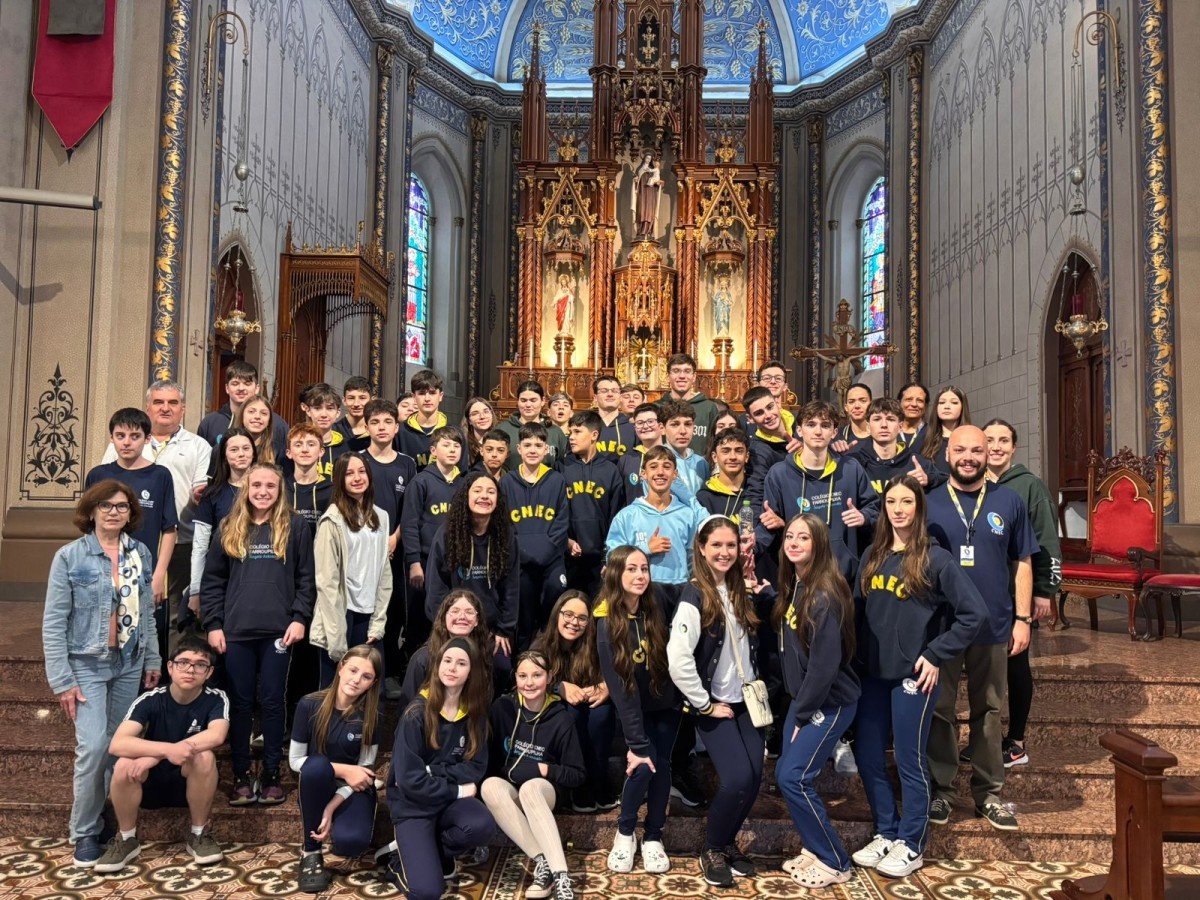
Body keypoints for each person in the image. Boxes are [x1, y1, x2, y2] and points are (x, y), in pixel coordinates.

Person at [851, 475, 986, 877]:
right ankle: (886, 831)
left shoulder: (935, 558)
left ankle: (912, 843)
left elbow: (973, 614)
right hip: (873, 676)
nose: (898, 509)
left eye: (906, 501)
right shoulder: (873, 554)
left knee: (909, 759)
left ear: (918, 507)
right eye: (891, 501)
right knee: (869, 756)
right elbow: (860, 614)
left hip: (913, 677)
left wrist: (934, 654)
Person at [925, 425, 1038, 832]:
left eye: (977, 450)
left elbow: (1022, 561)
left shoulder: (1009, 501)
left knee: (988, 711)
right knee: (939, 711)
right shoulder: (929, 502)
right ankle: (940, 792)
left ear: (988, 453)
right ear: (948, 454)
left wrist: (1022, 619)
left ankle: (989, 793)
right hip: (942, 628)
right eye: (961, 450)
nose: (969, 456)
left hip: (994, 624)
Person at [44, 479, 162, 867]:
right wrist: (62, 679)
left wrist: (153, 660)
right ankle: (84, 832)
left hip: (130, 662)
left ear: (131, 513)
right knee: (93, 747)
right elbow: (54, 622)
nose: (114, 512)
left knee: (119, 749)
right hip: (87, 664)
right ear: (91, 510)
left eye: (122, 506)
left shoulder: (140, 553)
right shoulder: (70, 557)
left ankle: (116, 823)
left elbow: (147, 615)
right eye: (106, 505)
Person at [200, 462, 315, 807]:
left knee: (273, 700)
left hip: (279, 631)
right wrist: (213, 624)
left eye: (271, 486)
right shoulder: (229, 526)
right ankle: (239, 775)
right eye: (257, 485)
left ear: (280, 490)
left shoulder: (295, 526)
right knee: (240, 702)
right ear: (246, 489)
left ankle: (271, 774)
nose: (263, 491)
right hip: (235, 630)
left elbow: (307, 579)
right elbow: (213, 582)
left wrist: (299, 617)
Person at [667, 517, 767, 888]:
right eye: (718, 546)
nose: (725, 552)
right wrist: (703, 703)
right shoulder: (694, 594)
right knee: (737, 777)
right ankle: (711, 847)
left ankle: (728, 843)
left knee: (755, 777)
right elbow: (678, 658)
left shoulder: (741, 588)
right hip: (715, 703)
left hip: (745, 702)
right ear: (702, 549)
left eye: (732, 545)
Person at [769, 514, 860, 887]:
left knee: (794, 777)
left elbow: (824, 667)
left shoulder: (823, 594)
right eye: (789, 536)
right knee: (784, 774)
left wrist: (804, 715)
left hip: (829, 702)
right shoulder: (797, 585)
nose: (793, 542)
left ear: (819, 544)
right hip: (804, 700)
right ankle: (814, 846)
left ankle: (836, 860)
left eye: (803, 538)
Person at [97, 635, 228, 873]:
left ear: (208, 673)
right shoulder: (150, 699)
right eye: (183, 662)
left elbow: (216, 736)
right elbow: (118, 744)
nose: (190, 670)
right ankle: (126, 838)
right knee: (124, 764)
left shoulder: (215, 699)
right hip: (148, 783)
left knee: (205, 756)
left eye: (200, 665)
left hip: (189, 784)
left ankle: (199, 835)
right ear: (170, 667)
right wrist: (166, 751)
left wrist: (157, 754)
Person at [100, 381, 211, 662]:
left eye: (173, 403)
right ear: (148, 407)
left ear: (183, 409)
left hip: (181, 538)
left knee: (178, 611)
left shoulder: (198, 446)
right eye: (159, 402)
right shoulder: (125, 443)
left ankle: (175, 672)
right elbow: (105, 487)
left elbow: (202, 487)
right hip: (130, 543)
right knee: (132, 607)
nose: (165, 408)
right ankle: (137, 668)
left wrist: (203, 493)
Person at [382, 637, 497, 900]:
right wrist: (456, 790)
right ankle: (398, 860)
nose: (452, 668)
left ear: (471, 672)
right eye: (447, 661)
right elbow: (409, 781)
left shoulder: (474, 714)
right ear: (437, 665)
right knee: (427, 891)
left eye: (461, 663)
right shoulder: (415, 714)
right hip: (414, 805)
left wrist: (433, 771)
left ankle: (431, 852)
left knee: (481, 825)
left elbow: (476, 767)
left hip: (442, 803)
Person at [595, 546, 678, 874]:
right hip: (634, 709)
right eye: (631, 569)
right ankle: (625, 832)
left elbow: (692, 592)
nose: (640, 576)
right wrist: (637, 744)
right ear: (615, 573)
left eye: (644, 568)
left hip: (666, 706)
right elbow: (621, 690)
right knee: (643, 766)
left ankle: (654, 836)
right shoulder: (606, 622)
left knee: (663, 767)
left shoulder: (658, 598)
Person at [984, 419, 1062, 768]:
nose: (996, 446)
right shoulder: (974, 481)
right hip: (986, 590)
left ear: (1014, 447)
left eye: (1003, 440)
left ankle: (1015, 741)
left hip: (1019, 586)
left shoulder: (1029, 485)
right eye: (990, 440)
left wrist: (1044, 591)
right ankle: (986, 740)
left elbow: (1047, 539)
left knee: (1016, 663)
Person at [482, 650, 586, 900]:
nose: (529, 683)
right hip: (511, 786)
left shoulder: (561, 718)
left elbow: (577, 774)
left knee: (530, 789)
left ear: (549, 677)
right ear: (515, 677)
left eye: (537, 675)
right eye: (523, 675)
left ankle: (561, 877)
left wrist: (544, 769)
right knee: (489, 786)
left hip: (544, 791)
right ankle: (543, 863)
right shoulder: (502, 708)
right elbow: (492, 757)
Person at [289, 644, 384, 893]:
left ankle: (335, 820)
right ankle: (311, 852)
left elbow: (365, 772)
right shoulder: (309, 705)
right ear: (341, 668)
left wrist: (331, 806)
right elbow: (296, 760)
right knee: (316, 764)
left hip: (353, 788)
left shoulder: (372, 715)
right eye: (353, 670)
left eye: (366, 677)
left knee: (351, 843)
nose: (356, 680)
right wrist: (343, 770)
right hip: (317, 780)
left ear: (373, 683)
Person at [755, 400, 879, 583]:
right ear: (799, 430)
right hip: (797, 575)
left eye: (825, 425)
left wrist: (864, 516)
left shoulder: (851, 469)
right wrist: (750, 545)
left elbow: (875, 508)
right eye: (811, 425)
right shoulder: (779, 473)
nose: (818, 431)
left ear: (834, 432)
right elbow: (768, 524)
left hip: (842, 575)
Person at [425, 472, 521, 676]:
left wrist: (504, 630)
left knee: (502, 667)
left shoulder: (505, 536)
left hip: (489, 630)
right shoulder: (446, 534)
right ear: (465, 496)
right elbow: (435, 588)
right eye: (477, 491)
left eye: (491, 492)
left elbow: (511, 588)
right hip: (452, 626)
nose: (484, 496)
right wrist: (446, 628)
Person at [86, 408, 178, 615]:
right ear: (112, 438)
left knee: (145, 635)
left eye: (134, 436)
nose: (127, 442)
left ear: (147, 439)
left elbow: (170, 529)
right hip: (104, 570)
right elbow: (88, 527)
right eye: (120, 436)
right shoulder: (98, 475)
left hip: (145, 571)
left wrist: (159, 575)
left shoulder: (160, 475)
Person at [311, 455, 392, 687]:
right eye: (349, 473)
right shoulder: (332, 520)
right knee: (335, 691)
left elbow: (384, 573)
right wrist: (336, 637)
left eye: (361, 471)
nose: (357, 478)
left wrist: (379, 620)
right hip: (340, 614)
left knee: (370, 689)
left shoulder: (381, 517)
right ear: (339, 479)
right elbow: (326, 581)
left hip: (369, 615)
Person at [532, 591, 616, 812]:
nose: (574, 622)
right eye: (568, 614)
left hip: (592, 705)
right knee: (572, 712)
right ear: (557, 614)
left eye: (581, 618)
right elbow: (524, 681)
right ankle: (579, 783)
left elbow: (620, 672)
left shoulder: (596, 644)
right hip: (555, 712)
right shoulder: (541, 644)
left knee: (603, 713)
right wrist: (559, 687)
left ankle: (598, 777)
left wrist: (607, 686)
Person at [360, 398, 416, 689]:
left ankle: (391, 670)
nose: (381, 428)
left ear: (397, 428)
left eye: (387, 423)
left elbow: (410, 507)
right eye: (375, 422)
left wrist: (394, 537)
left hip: (396, 548)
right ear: (366, 426)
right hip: (364, 548)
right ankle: (363, 667)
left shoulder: (406, 464)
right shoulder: (359, 462)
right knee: (365, 609)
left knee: (393, 610)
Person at [501, 422, 570, 650]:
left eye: (538, 445)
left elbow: (561, 522)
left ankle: (550, 659)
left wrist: (545, 552)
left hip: (551, 560)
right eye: (527, 445)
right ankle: (520, 664)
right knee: (523, 615)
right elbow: (505, 525)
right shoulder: (508, 482)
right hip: (520, 561)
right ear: (518, 449)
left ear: (546, 449)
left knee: (554, 602)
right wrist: (523, 552)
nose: (532, 449)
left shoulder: (557, 480)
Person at [606, 446, 707, 588]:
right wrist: (644, 548)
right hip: (641, 591)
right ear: (643, 474)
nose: (660, 472)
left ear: (675, 474)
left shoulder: (688, 515)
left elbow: (694, 559)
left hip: (680, 590)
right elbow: (612, 558)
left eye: (667, 467)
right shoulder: (626, 516)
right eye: (653, 467)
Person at [401, 426, 464, 654]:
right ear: (433, 450)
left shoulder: (463, 483)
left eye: (457, 446)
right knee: (420, 617)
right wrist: (414, 562)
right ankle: (414, 662)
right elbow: (410, 524)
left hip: (454, 560)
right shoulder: (421, 482)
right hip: (426, 560)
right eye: (446, 445)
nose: (452, 450)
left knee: (448, 614)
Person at [186, 428, 257, 628]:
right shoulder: (212, 494)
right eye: (234, 449)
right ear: (224, 455)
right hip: (221, 578)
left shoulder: (266, 491)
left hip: (258, 575)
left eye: (246, 448)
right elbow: (200, 546)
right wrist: (195, 591)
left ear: (254, 452)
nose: (241, 454)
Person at [561, 411, 625, 599]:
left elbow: (616, 515)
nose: (572, 437)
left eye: (577, 432)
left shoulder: (611, 470)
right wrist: (567, 540)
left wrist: (608, 556)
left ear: (594, 435)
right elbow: (557, 512)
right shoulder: (562, 467)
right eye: (570, 433)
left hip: (600, 560)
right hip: (569, 557)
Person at [399, 589, 495, 710]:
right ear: (444, 617)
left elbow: (485, 701)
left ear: (477, 620)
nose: (462, 617)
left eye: (469, 612)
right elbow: (407, 707)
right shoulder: (422, 658)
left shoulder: (483, 655)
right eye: (455, 611)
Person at [847, 397, 941, 496]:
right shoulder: (854, 463)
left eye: (890, 419)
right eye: (877, 419)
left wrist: (929, 479)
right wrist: (834, 453)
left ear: (900, 427)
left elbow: (947, 481)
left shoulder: (917, 464)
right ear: (868, 427)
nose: (884, 425)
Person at [198, 360, 289, 456]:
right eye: (235, 383)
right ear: (227, 388)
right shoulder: (210, 423)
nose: (241, 388)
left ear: (257, 388)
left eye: (247, 383)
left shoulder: (277, 424)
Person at [742, 385, 801, 502]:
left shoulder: (802, 422)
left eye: (770, 407)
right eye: (759, 413)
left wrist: (809, 452)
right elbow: (756, 492)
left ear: (777, 404)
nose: (768, 415)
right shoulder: (757, 451)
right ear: (750, 419)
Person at [498, 380, 569, 470]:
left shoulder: (555, 432)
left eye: (533, 400)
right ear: (518, 401)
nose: (528, 405)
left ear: (543, 401)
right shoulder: (503, 429)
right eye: (523, 400)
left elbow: (564, 465)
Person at [659, 353, 719, 456]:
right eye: (676, 371)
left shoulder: (708, 408)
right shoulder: (657, 407)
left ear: (694, 376)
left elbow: (716, 442)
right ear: (668, 376)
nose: (682, 376)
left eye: (687, 371)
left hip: (701, 469)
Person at [398, 369, 452, 471]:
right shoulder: (400, 432)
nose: (427, 398)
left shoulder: (454, 433)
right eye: (422, 393)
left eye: (432, 393)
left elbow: (461, 475)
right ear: (414, 397)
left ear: (440, 396)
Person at [284, 423, 333, 533]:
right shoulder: (280, 489)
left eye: (311, 444)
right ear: (289, 453)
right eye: (298, 445)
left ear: (321, 451)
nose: (305, 450)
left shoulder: (332, 491)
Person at [299, 383, 352, 479]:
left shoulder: (347, 447)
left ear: (338, 413)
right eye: (317, 408)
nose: (324, 414)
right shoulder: (296, 444)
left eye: (330, 408)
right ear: (308, 411)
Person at [696, 427, 750, 519]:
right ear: (714, 457)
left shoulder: (756, 490)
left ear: (746, 456)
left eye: (739, 451)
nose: (733, 457)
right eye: (726, 451)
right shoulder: (705, 497)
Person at [661, 398, 709, 500]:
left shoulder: (700, 462)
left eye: (688, 424)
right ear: (662, 429)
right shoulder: (657, 461)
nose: (683, 431)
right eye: (675, 424)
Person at [920, 386, 970, 474]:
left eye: (954, 402)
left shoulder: (973, 437)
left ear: (963, 407)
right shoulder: (924, 436)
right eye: (942, 402)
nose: (947, 406)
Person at [593, 376, 632, 459]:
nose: (610, 394)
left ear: (620, 397)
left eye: (615, 391)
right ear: (595, 398)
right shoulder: (587, 424)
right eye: (604, 391)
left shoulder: (632, 425)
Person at [331, 375, 374, 451]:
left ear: (371, 401)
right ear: (344, 401)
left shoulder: (377, 431)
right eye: (351, 398)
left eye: (362, 398)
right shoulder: (333, 431)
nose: (356, 404)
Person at [235, 395, 280, 465]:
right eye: (251, 411)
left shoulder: (278, 450)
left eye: (264, 413)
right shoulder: (227, 446)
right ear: (242, 416)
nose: (257, 416)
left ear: (269, 421)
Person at [832, 382, 872, 453]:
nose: (857, 406)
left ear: (871, 404)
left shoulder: (882, 435)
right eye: (851, 402)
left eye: (862, 401)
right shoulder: (836, 437)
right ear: (846, 407)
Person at [462, 396, 499, 468]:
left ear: (492, 414)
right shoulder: (463, 445)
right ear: (469, 420)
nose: (482, 416)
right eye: (475, 413)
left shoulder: (500, 440)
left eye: (486, 411)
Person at [632, 151, 662, 238]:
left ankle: (649, 231)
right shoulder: (640, 170)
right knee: (641, 210)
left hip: (651, 194)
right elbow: (635, 185)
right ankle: (641, 230)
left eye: (650, 158)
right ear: (644, 158)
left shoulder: (653, 170)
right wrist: (635, 180)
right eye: (647, 158)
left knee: (650, 211)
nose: (648, 160)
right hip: (642, 193)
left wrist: (658, 183)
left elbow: (656, 180)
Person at [896, 382, 929, 449]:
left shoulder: (932, 433)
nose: (914, 404)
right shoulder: (889, 432)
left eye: (920, 401)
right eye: (908, 399)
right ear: (899, 403)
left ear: (925, 406)